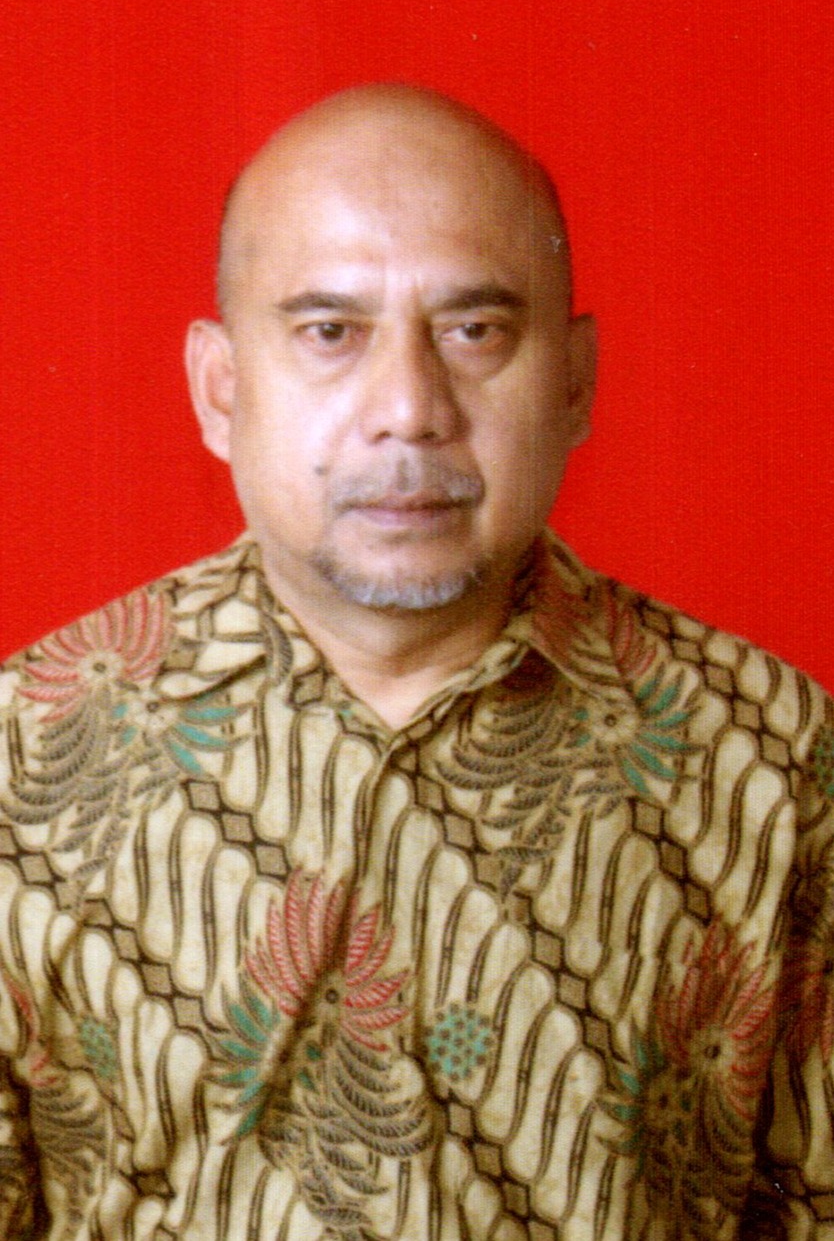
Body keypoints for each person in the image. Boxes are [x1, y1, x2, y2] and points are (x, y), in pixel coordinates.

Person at [0, 83, 832, 1241]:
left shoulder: (776, 760)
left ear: (576, 380)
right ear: (220, 388)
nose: (408, 408)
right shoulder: (23, 757)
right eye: (330, 332)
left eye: (475, 331)